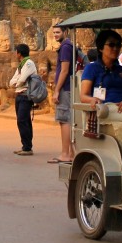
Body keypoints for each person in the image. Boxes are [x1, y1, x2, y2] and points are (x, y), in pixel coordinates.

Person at [79, 29, 122, 152]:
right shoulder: (92, 68)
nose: (115, 48)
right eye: (111, 44)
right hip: (105, 108)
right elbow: (83, 96)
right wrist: (94, 100)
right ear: (101, 48)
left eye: (118, 45)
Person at [51, 25, 77, 164]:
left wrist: (56, 90)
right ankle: (70, 152)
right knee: (67, 119)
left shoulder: (66, 47)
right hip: (67, 87)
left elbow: (65, 70)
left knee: (64, 120)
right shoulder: (68, 46)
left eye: (58, 32)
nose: (55, 34)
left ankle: (65, 153)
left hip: (65, 88)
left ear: (65, 32)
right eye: (54, 32)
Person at [8, 43, 36, 156]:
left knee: (22, 120)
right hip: (19, 94)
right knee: (24, 120)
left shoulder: (29, 63)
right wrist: (16, 82)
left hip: (25, 95)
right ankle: (26, 145)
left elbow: (21, 80)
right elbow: (13, 81)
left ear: (18, 53)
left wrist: (16, 82)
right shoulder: (22, 64)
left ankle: (27, 147)